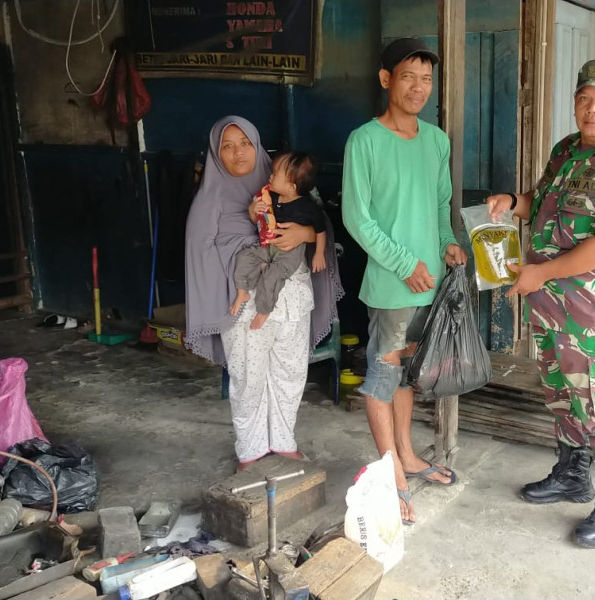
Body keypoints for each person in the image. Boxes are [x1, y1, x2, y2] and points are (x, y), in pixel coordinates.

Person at [486, 59, 595, 548]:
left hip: (593, 312)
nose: (593, 108)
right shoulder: (566, 150)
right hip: (548, 305)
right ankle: (571, 474)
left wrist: (540, 272)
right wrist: (512, 203)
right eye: (585, 98)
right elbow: (541, 201)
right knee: (562, 394)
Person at [342, 38, 468, 525]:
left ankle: (409, 455)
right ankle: (390, 472)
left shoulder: (437, 141)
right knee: (382, 373)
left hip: (430, 283)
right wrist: (404, 261)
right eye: (408, 77)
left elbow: (439, 208)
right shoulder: (365, 141)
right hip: (395, 285)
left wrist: (446, 244)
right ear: (385, 80)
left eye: (426, 80)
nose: (418, 88)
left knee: (406, 374)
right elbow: (358, 218)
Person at [184, 116, 328, 471]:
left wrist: (305, 236)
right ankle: (249, 450)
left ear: (257, 145)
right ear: (216, 154)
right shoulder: (208, 201)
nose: (238, 153)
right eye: (227, 146)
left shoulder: (285, 183)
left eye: (245, 143)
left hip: (293, 299)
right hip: (244, 306)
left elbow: (321, 225)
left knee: (291, 371)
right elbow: (201, 256)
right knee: (249, 378)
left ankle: (283, 441)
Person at [230, 153, 328, 330]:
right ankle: (242, 292)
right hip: (269, 245)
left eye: (275, 174)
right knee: (245, 256)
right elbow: (258, 221)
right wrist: (253, 209)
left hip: (290, 252)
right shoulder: (271, 198)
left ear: (291, 187)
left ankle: (264, 310)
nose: (270, 176)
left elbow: (321, 230)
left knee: (272, 275)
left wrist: (319, 253)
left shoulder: (307, 208)